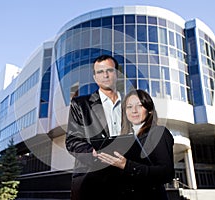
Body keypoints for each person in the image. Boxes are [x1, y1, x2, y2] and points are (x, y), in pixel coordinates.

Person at [97, 89, 175, 200]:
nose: (134, 110)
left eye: (139, 105)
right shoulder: (124, 138)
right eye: (129, 107)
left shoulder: (158, 132)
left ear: (149, 110)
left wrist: (126, 165)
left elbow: (166, 173)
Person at [65, 54, 122, 200]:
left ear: (117, 73)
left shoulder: (132, 104)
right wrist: (94, 153)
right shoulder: (80, 104)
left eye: (109, 70)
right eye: (100, 72)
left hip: (127, 180)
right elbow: (72, 141)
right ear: (95, 77)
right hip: (92, 180)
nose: (105, 75)